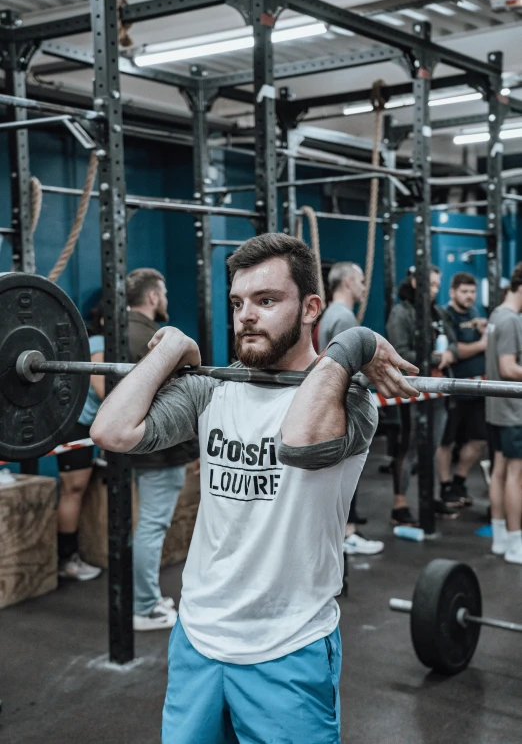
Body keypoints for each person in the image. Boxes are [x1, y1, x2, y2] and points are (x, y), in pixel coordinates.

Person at [91, 233, 418, 744]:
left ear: (312, 308)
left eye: (267, 301)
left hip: (287, 647)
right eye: (238, 303)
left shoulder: (350, 397)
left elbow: (301, 445)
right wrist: (170, 347)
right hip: (197, 638)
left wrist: (357, 343)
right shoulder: (215, 388)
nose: (246, 315)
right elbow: (111, 431)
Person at [126, 268, 200, 631]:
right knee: (152, 527)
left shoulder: (116, 331)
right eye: (164, 293)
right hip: (159, 447)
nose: (166, 300)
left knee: (141, 526)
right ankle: (144, 606)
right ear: (153, 297)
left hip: (130, 446)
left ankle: (144, 597)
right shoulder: (155, 340)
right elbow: (178, 399)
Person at [318, 261, 383, 556]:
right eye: (360, 280)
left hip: (332, 401)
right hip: (342, 403)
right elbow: (348, 370)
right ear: (346, 282)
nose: (363, 286)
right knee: (347, 469)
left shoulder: (330, 313)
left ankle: (343, 532)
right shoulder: (343, 317)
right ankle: (348, 533)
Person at [386, 266, 459, 525]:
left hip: (439, 393)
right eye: (431, 285)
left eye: (438, 286)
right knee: (409, 447)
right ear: (416, 282)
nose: (435, 290)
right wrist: (437, 358)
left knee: (433, 446)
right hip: (412, 392)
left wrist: (449, 353)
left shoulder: (437, 313)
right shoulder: (401, 313)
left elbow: (453, 343)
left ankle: (429, 498)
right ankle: (400, 504)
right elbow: (400, 354)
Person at [57, 302, 104, 581]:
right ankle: (67, 560)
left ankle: (67, 557)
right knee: (72, 492)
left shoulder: (95, 340)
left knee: (73, 492)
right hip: (75, 427)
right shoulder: (98, 341)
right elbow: (101, 387)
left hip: (82, 426)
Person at [437, 272, 488, 508]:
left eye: (472, 292)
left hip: (477, 391)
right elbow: (454, 350)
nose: (469, 296)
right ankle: (446, 486)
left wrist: (484, 331)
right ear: (452, 292)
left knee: (478, 439)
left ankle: (459, 481)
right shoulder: (445, 315)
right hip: (453, 389)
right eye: (464, 292)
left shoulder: (476, 314)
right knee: (446, 441)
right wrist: (481, 345)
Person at [485, 262, 522, 564]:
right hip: (512, 411)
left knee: (499, 471)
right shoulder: (510, 320)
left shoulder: (497, 315)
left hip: (496, 408)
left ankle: (500, 538)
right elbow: (509, 368)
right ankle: (515, 543)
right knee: (515, 476)